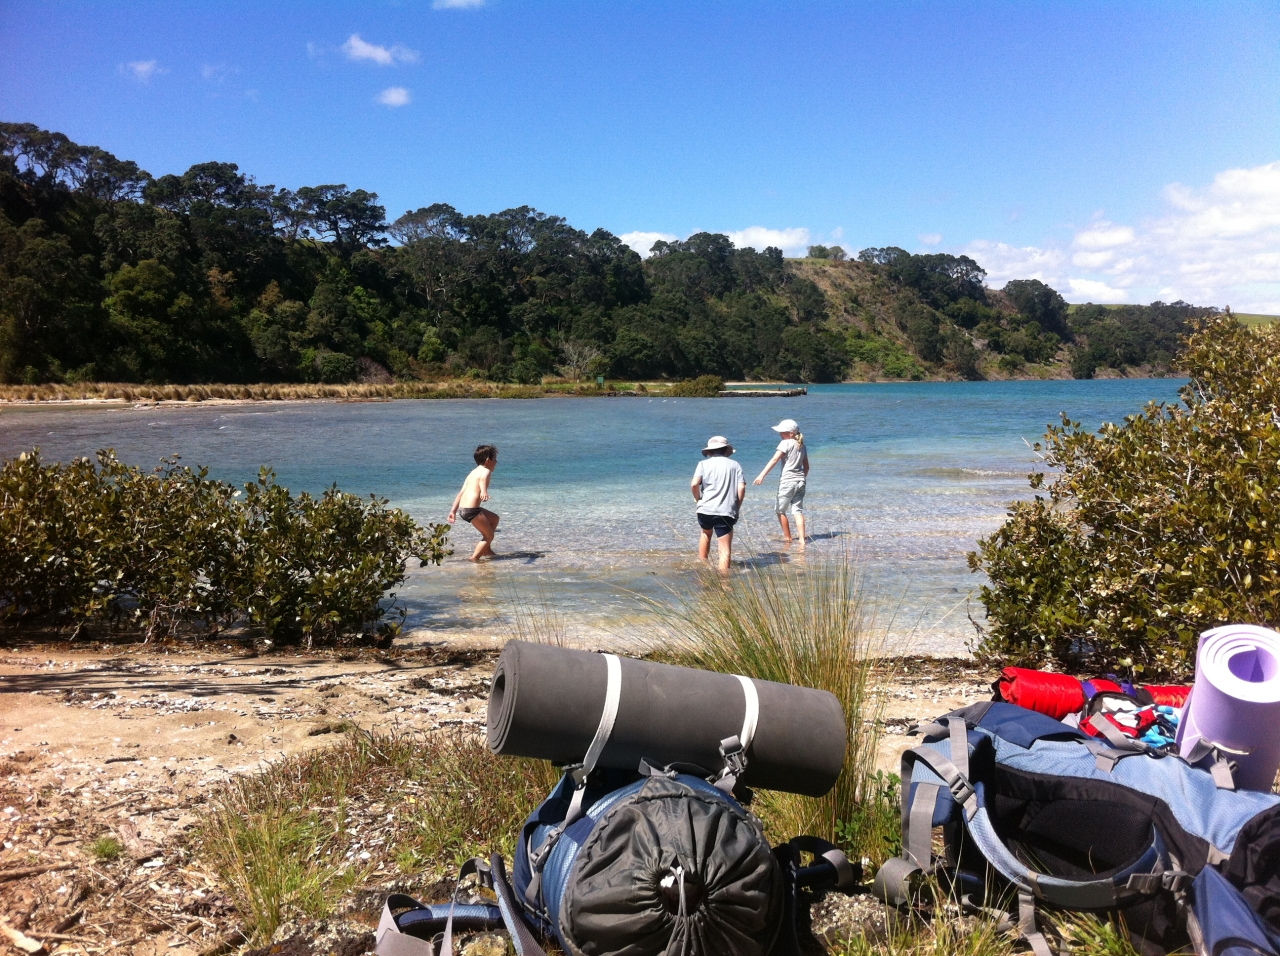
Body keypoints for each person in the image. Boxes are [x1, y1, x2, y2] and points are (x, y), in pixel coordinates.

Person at [691, 435, 746, 572]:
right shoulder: (735, 465)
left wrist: (698, 499)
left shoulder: (702, 464)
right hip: (725, 510)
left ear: (709, 452)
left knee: (705, 534)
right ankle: (724, 579)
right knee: (724, 548)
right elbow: (741, 488)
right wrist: (737, 506)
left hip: (704, 509)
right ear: (726, 450)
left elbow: (694, 484)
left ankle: (703, 568)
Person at [753, 418, 809, 548]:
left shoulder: (785, 443)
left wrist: (762, 475)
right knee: (797, 511)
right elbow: (806, 467)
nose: (780, 434)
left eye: (782, 432)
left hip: (787, 481)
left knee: (780, 510)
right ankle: (802, 540)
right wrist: (801, 478)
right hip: (801, 481)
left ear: (791, 433)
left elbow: (774, 460)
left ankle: (788, 538)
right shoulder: (802, 446)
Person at [447, 444, 500, 562]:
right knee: (489, 535)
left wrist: (453, 511)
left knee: (494, 518)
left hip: (463, 509)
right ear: (488, 460)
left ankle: (487, 549)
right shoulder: (486, 471)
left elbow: (460, 493)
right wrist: (484, 491)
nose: (496, 462)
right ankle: (474, 558)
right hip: (472, 510)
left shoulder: (472, 473)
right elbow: (482, 480)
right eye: (495, 459)